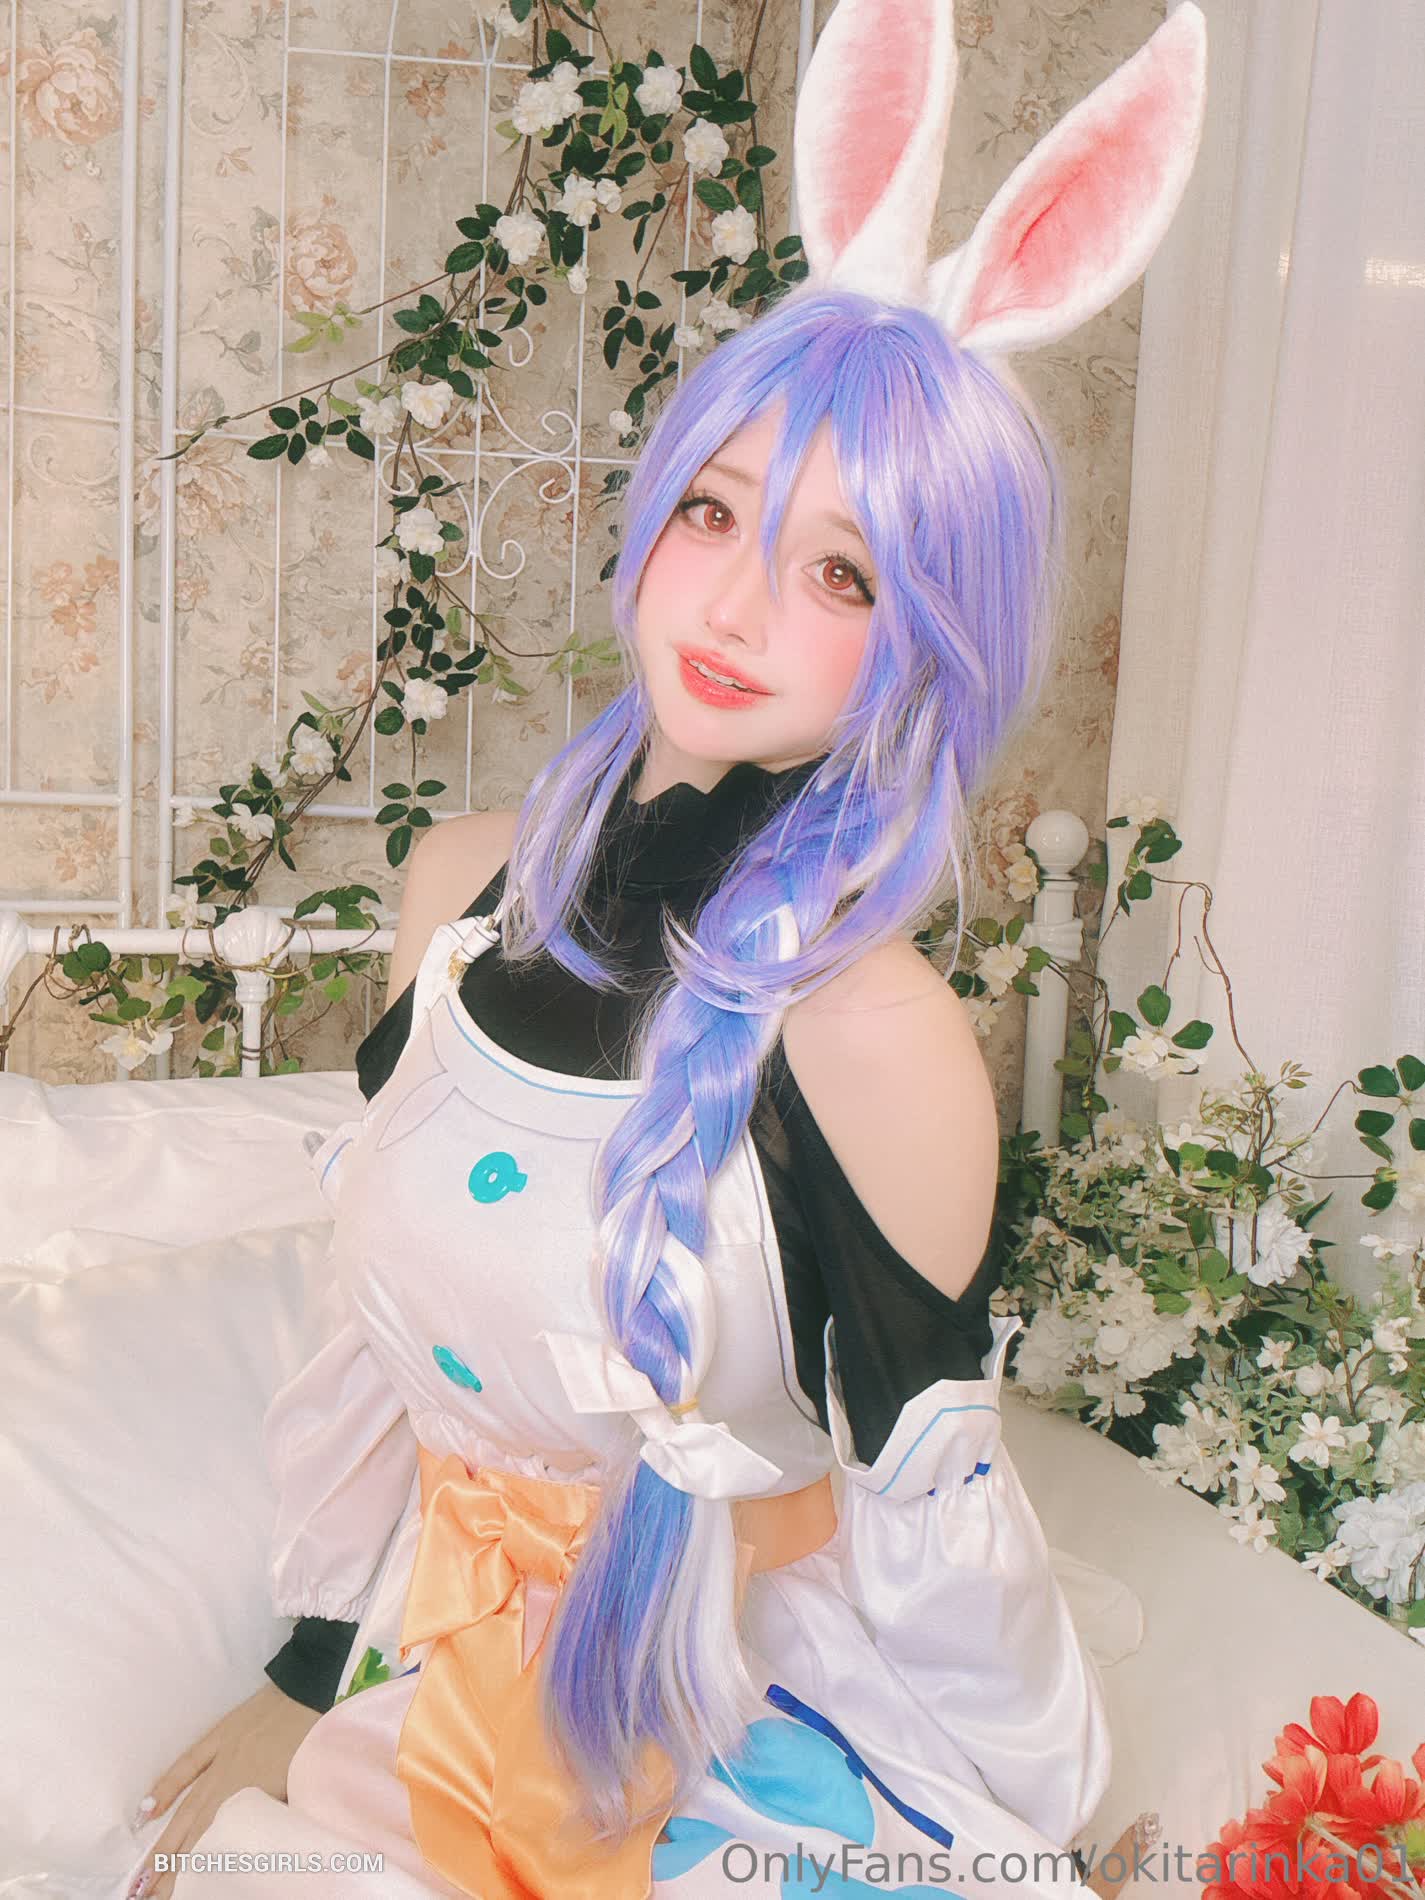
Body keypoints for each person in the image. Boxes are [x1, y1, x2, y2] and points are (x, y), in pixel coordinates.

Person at [127, 4, 1208, 1895]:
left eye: (841, 570)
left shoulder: (874, 1035)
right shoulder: (453, 896)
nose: (736, 603)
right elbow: (376, 1347)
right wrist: (305, 1679)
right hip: (459, 1677)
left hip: (749, 1726)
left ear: (927, 638)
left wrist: (1021, 1833)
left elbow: (930, 1512)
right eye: (713, 511)